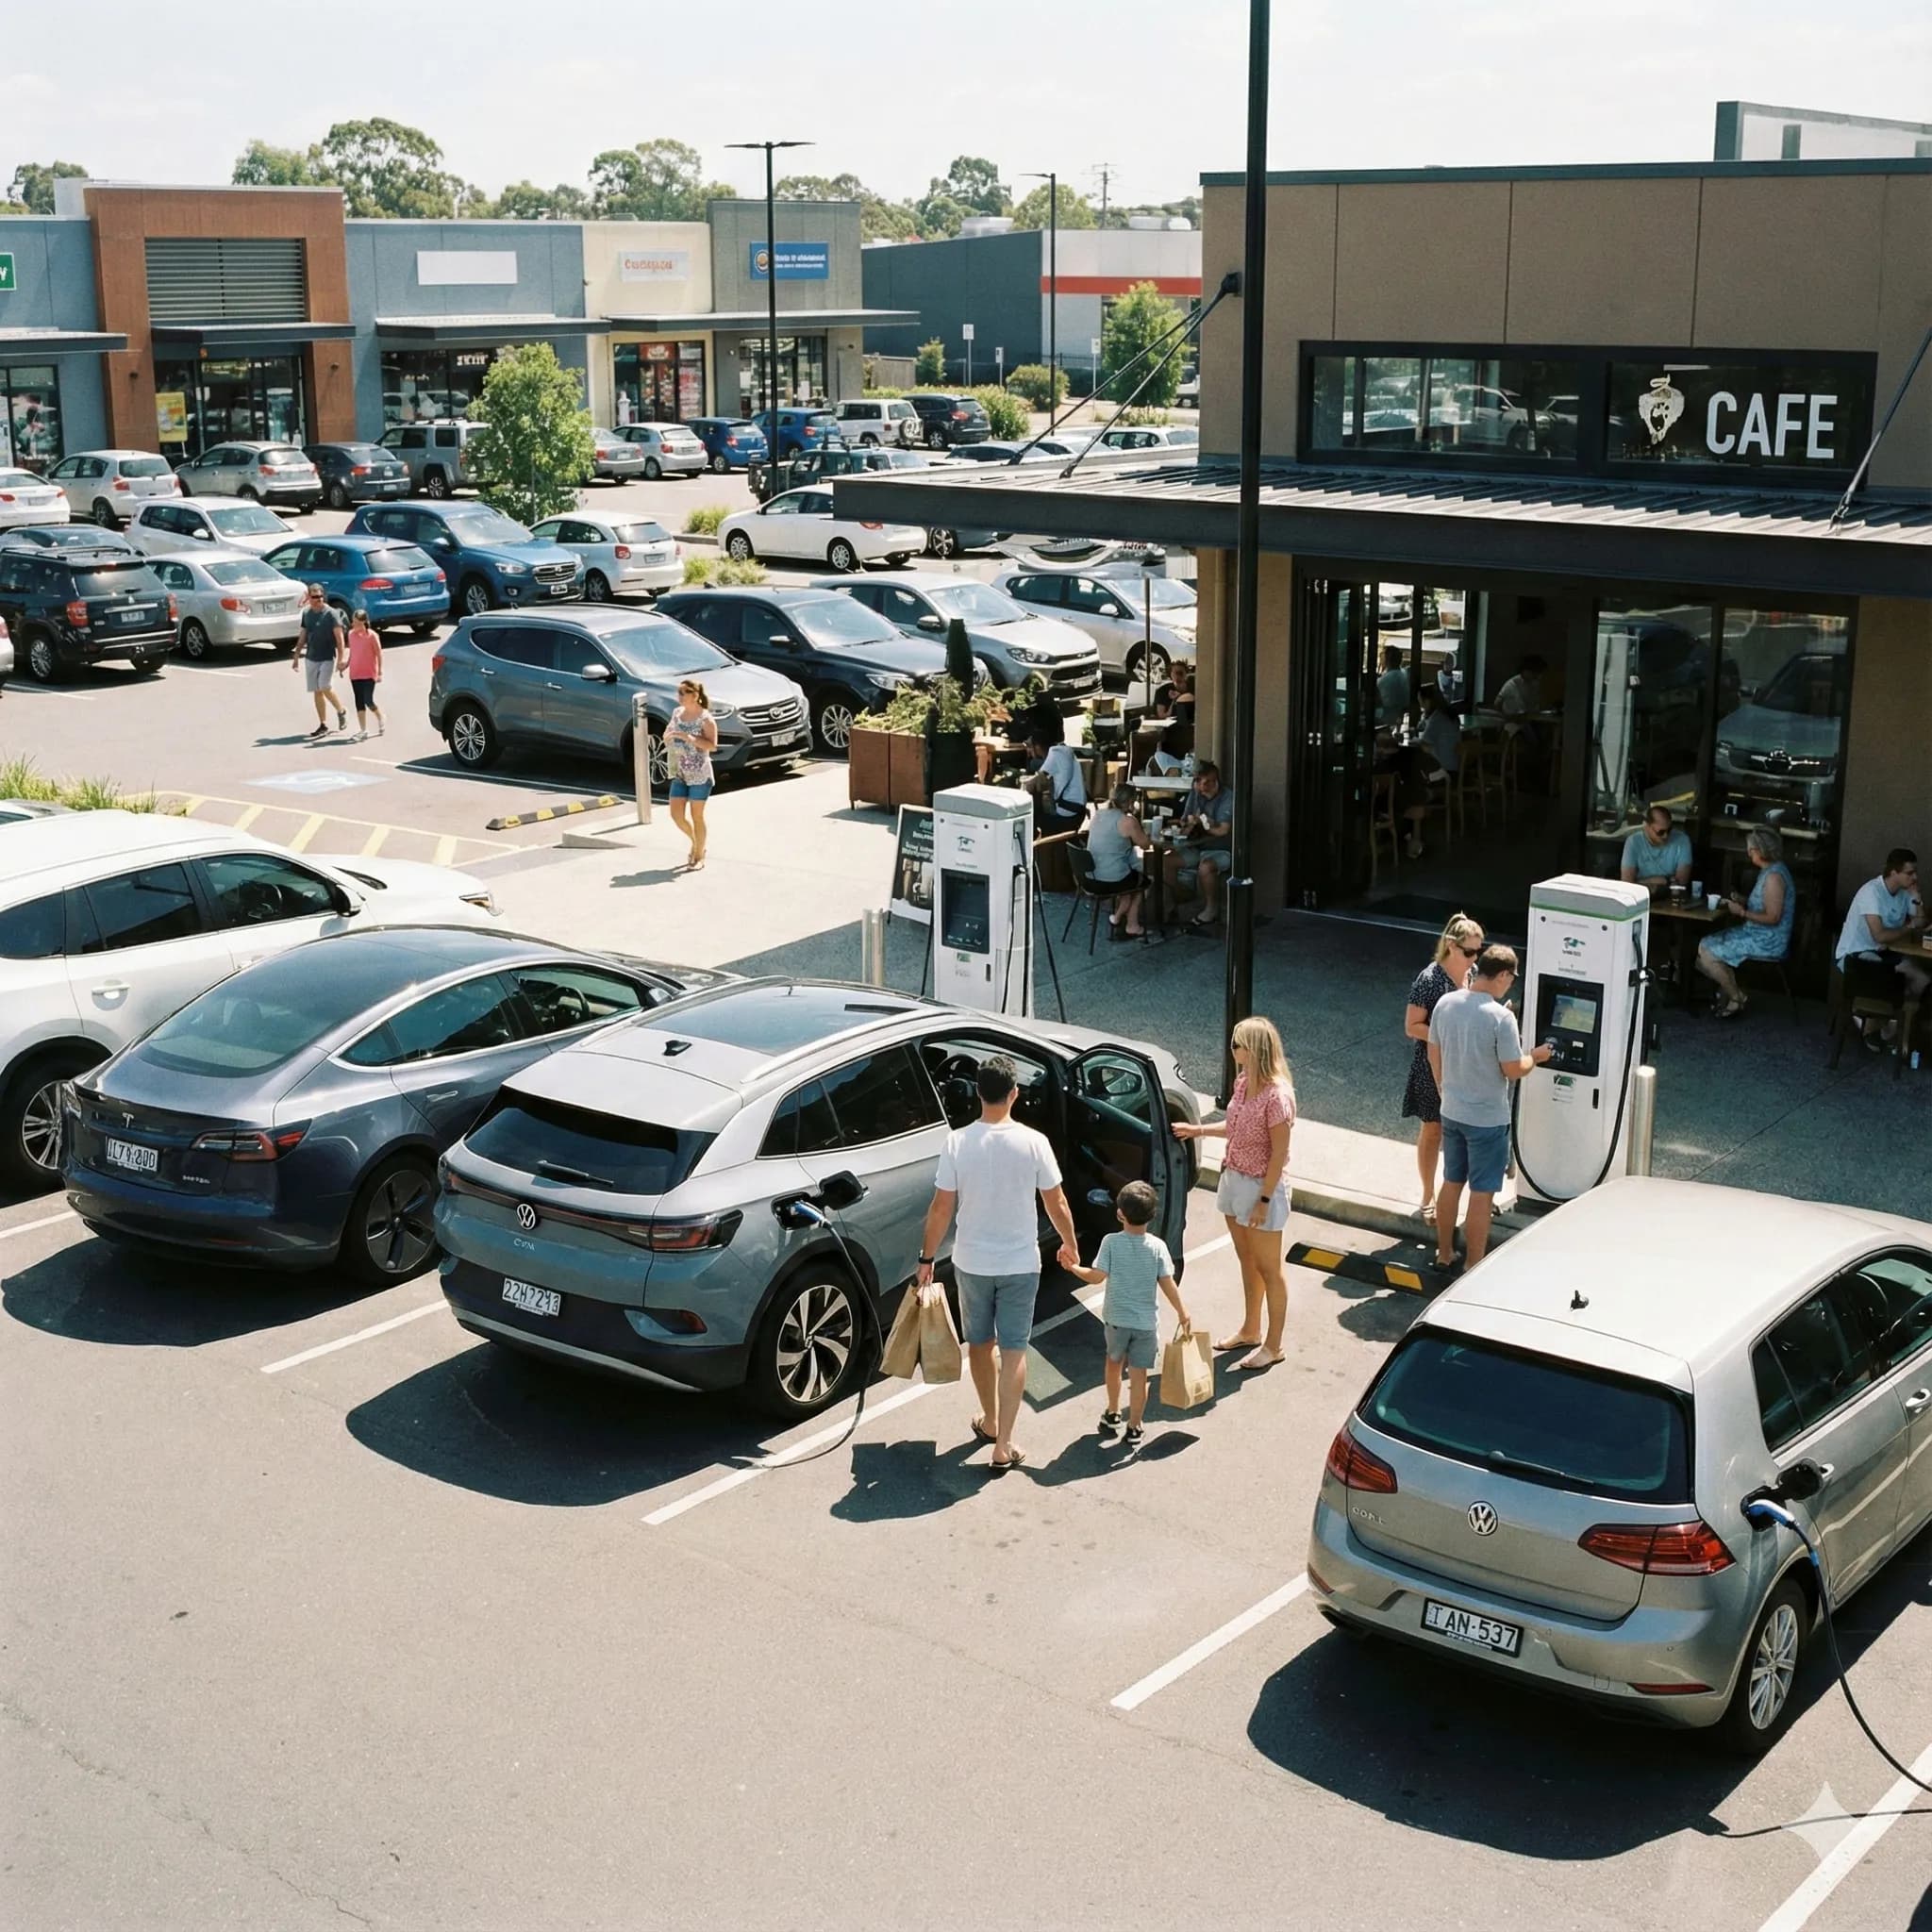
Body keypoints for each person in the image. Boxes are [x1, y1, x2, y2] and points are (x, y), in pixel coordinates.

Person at [915, 1058, 1080, 1474]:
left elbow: (940, 1209)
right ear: (1014, 1094)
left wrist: (926, 1258)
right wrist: (1070, 1243)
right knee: (1015, 1349)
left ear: (977, 1092)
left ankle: (988, 1419)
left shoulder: (957, 1143)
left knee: (981, 1345)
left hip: (971, 1262)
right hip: (1021, 1261)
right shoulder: (1034, 1142)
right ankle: (1004, 1443)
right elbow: (1056, 1202)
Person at [1173, 1015, 1294, 1370]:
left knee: (1270, 1269)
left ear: (1253, 1050)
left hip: (1261, 1187)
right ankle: (1250, 1329)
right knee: (1247, 1260)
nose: (1232, 1050)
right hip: (1234, 1179)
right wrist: (1197, 1131)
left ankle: (1274, 1345)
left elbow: (1279, 1154)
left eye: (1237, 1044)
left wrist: (1265, 1199)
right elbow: (1235, 1127)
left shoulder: (1278, 1097)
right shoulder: (1243, 1083)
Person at [1428, 943, 1554, 1274]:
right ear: (1501, 975)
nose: (1510, 984)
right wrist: (1536, 1057)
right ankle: (1473, 1264)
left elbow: (1433, 1053)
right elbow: (1513, 1069)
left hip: (1452, 1111)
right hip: (1487, 1120)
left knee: (1452, 1181)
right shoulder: (1502, 1018)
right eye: (1510, 978)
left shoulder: (1446, 1003)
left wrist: (1446, 1091)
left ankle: (1444, 1254)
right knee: (1482, 1194)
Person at [1067, 1180, 1190, 1447]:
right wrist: (1182, 1312)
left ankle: (1112, 1413)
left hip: (1116, 1321)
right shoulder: (1157, 1247)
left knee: (1113, 1365)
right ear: (1153, 1215)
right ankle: (1134, 1426)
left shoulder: (1111, 1243)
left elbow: (1097, 1277)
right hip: (1145, 1325)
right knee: (1140, 1376)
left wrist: (1074, 1267)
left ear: (1120, 1213)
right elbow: (1168, 1284)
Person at [1402, 913, 1485, 1224]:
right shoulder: (1429, 979)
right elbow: (1412, 1026)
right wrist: (1446, 1032)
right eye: (1469, 951)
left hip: (1465, 1064)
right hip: (1431, 1066)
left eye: (1479, 951)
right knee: (1433, 1129)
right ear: (1451, 946)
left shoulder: (1473, 974)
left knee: (1463, 1133)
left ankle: (1456, 1195)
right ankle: (1427, 1194)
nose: (1474, 957)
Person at [1695, 826, 1795, 1019]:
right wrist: (1742, 899)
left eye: (1751, 849)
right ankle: (1730, 991)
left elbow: (1773, 917)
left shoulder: (1774, 877)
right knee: (1703, 946)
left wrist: (1741, 911)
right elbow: (1766, 904)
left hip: (1767, 941)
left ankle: (1735, 996)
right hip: (1756, 933)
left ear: (1761, 851)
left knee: (1707, 953)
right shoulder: (1771, 870)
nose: (1749, 853)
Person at [1834, 846, 1927, 1045]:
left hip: (1885, 953)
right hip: (1856, 955)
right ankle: (1873, 1026)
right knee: (1887, 981)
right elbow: (1880, 936)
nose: (1915, 877)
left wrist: (1917, 900)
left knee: (1921, 979)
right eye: (1910, 873)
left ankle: (1889, 1024)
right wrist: (1910, 926)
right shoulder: (1871, 892)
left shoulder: (1905, 893)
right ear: (1894, 873)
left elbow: (1920, 924)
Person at [1165, 758, 1234, 932]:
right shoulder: (1195, 792)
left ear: (1213, 781)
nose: (1199, 787)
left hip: (1221, 849)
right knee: (1166, 862)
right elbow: (1184, 819)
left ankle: (1211, 909)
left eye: (1203, 782)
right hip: (1196, 846)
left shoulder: (1227, 797)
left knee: (1206, 867)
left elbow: (1224, 830)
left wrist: (1205, 824)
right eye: (1196, 781)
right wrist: (1184, 824)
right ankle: (1174, 902)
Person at [665, 677, 718, 871]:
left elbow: (712, 745)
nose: (679, 696)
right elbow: (669, 729)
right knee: (676, 815)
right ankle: (695, 843)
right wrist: (668, 736)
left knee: (697, 816)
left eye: (683, 692)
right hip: (680, 772)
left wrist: (689, 738)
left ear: (694, 696)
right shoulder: (677, 713)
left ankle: (699, 855)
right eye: (678, 692)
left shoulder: (706, 719)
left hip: (699, 774)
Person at [1086, 782, 1150, 940]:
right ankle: (1131, 924)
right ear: (1130, 802)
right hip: (1113, 880)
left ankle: (1118, 917)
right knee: (1147, 881)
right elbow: (1145, 845)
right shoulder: (1128, 821)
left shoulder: (1098, 814)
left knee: (1128, 878)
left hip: (1090, 878)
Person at [291, 587, 348, 738]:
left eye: (321, 596)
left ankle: (341, 710)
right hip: (311, 657)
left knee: (325, 686)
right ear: (309, 597)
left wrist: (341, 658)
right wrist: (297, 655)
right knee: (317, 691)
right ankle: (323, 724)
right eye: (315, 597)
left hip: (327, 657)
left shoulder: (331, 614)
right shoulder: (307, 613)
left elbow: (340, 638)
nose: (319, 599)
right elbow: (303, 634)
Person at [1620, 804, 1694, 894]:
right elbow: (1627, 884)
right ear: (1646, 826)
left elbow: (1681, 883)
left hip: (1670, 898)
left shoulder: (1682, 840)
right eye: (1661, 832)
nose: (1666, 836)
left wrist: (1640, 883)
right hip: (1641, 897)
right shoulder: (1633, 842)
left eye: (1669, 830)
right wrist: (1667, 880)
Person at [1024, 726, 1086, 835]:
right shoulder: (1064, 750)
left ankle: (1038, 847)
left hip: (1068, 813)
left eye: (1029, 746)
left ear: (1038, 746)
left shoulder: (1056, 753)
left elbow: (1033, 785)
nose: (1028, 751)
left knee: (1030, 815)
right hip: (1077, 810)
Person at [343, 607, 384, 741]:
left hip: (369, 673)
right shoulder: (351, 634)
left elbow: (378, 654)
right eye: (353, 622)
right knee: (359, 702)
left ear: (364, 623)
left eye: (357, 623)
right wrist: (346, 665)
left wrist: (380, 672)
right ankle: (363, 730)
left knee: (368, 700)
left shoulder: (372, 636)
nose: (354, 625)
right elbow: (353, 653)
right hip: (355, 673)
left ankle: (380, 717)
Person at [1495, 655, 1547, 719]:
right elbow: (1498, 703)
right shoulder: (1512, 684)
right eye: (1535, 673)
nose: (1538, 676)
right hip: (1512, 721)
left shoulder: (1535, 684)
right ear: (1526, 670)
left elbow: (1537, 703)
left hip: (1530, 720)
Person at [1374, 644, 1409, 727]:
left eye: (1382, 657)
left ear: (1387, 660)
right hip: (1400, 713)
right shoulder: (1404, 673)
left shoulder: (1384, 680)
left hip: (1388, 715)